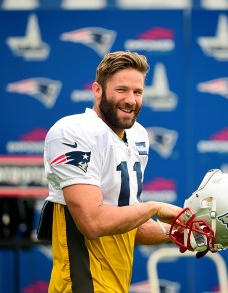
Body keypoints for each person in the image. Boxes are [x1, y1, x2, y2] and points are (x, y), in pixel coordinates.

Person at [37, 51, 183, 293]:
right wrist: (154, 208)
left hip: (116, 285)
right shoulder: (73, 132)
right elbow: (92, 223)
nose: (130, 100)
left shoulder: (137, 135)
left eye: (137, 92)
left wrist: (179, 233)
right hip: (81, 285)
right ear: (97, 90)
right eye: (121, 90)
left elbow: (127, 223)